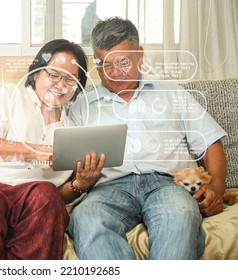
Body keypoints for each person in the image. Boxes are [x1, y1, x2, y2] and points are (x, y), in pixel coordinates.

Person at [67, 17, 227, 260]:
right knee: (85, 217)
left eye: (123, 62)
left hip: (168, 184)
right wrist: (82, 180)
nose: (114, 73)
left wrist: (216, 190)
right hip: (107, 189)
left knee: (180, 212)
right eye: (105, 65)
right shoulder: (80, 106)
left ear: (139, 54)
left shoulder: (173, 94)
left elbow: (211, 143)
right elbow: (67, 168)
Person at [0, 39, 105, 260]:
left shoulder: (72, 131)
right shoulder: (10, 96)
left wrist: (79, 185)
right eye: (53, 75)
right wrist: (35, 151)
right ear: (35, 74)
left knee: (48, 197)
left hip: (27, 197)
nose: (61, 85)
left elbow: (57, 195)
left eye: (70, 79)